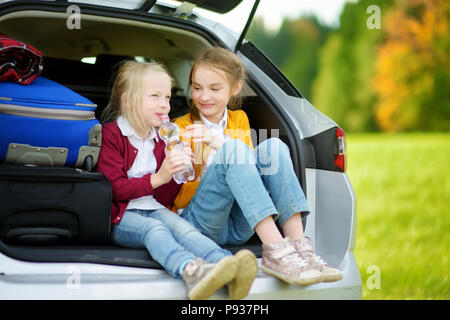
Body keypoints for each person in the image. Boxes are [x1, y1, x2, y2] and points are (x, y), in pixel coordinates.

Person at [174, 47, 343, 285]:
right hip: (202, 224)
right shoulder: (181, 127)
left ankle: (301, 248)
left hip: (239, 224)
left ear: (234, 88)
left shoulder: (239, 119)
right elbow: (178, 194)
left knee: (273, 147)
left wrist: (218, 144)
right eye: (197, 87)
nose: (204, 96)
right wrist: (193, 159)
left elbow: (247, 172)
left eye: (214, 88)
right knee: (234, 149)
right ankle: (275, 250)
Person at [96, 60, 257, 300]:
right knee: (155, 229)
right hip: (120, 216)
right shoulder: (112, 134)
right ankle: (191, 272)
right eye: (155, 97)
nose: (164, 105)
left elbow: (164, 197)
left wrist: (178, 171)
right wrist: (159, 177)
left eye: (168, 98)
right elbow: (113, 189)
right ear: (129, 101)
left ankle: (226, 266)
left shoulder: (162, 138)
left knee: (185, 230)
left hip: (153, 208)